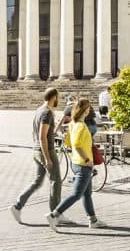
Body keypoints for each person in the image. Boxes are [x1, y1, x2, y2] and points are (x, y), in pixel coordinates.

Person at [46, 98, 106, 231]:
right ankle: (54, 214)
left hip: (77, 162)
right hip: (83, 164)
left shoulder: (73, 124)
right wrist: (87, 159)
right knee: (76, 194)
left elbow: (68, 143)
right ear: (85, 111)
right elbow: (77, 145)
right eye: (88, 108)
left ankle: (93, 220)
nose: (89, 110)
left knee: (87, 194)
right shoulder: (80, 125)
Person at [10, 88, 67, 226]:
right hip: (45, 151)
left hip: (36, 150)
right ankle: (55, 214)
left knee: (37, 182)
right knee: (56, 182)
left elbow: (41, 134)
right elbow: (42, 137)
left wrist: (54, 135)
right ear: (54, 97)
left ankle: (17, 206)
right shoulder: (47, 112)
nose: (58, 99)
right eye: (57, 97)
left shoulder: (39, 110)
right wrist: (47, 158)